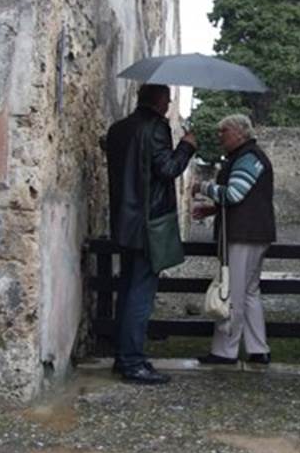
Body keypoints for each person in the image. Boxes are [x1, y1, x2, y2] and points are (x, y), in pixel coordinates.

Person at [105, 84, 196, 384]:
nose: (169, 106)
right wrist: (187, 146)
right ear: (159, 102)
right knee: (140, 295)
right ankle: (132, 362)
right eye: (168, 100)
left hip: (124, 222)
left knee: (128, 289)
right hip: (148, 225)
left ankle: (123, 356)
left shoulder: (118, 129)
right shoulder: (156, 129)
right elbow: (167, 169)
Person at [192, 114, 276, 365]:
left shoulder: (247, 158)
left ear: (240, 133)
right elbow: (245, 198)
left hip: (243, 234)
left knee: (233, 294)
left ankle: (225, 351)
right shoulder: (250, 156)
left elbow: (235, 194)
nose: (220, 136)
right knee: (250, 293)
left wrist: (203, 187)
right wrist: (213, 210)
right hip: (255, 232)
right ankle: (258, 348)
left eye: (224, 132)